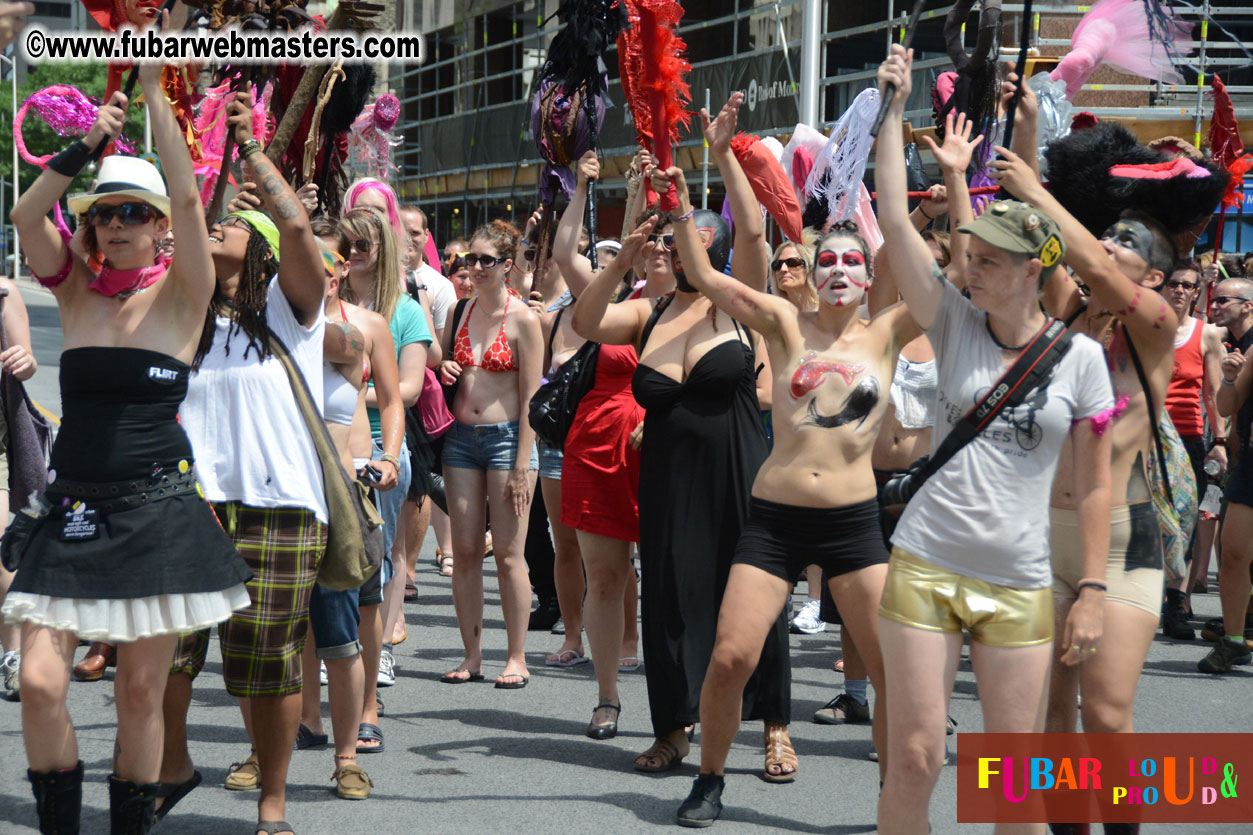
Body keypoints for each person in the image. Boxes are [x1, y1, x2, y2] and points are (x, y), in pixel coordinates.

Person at [4, 66, 251, 833]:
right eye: (106, 212)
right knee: (42, 683)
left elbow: (186, 193)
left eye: (133, 214)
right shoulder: (74, 291)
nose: (117, 224)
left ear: (159, 229)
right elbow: (24, 211)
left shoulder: (182, 297)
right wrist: (89, 143)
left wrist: (151, 99)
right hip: (71, 509)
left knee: (139, 694)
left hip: (156, 514)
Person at [874, 46, 1114, 834]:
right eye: (967, 254)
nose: (967, 265)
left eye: (985, 259)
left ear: (1028, 270)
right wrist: (890, 108)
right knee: (915, 757)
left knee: (1016, 788)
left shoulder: (1079, 361)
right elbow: (890, 221)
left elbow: (1093, 484)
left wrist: (1091, 590)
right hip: (926, 563)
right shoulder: (951, 322)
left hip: (1018, 581)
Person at [644, 155, 921, 822]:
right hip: (772, 521)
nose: (836, 273)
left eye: (851, 262)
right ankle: (709, 778)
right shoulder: (783, 321)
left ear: (870, 271)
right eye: (825, 262)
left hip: (852, 525)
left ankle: (894, 797)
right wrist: (682, 209)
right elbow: (708, 275)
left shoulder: (888, 330)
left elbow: (953, 279)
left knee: (889, 672)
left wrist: (927, 206)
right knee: (731, 654)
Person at [573, 92, 790, 779]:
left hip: (736, 464)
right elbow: (583, 323)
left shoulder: (738, 302)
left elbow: (755, 235)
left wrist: (721, 154)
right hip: (667, 473)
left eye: (677, 240)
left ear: (707, 248)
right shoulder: (646, 313)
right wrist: (620, 258)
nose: (668, 249)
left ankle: (775, 727)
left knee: (752, 591)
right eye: (664, 242)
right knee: (666, 596)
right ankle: (673, 726)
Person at [159, 92, 328, 835]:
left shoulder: (294, 314)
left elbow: (295, 222)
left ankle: (272, 802)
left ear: (258, 248)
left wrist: (255, 148)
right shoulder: (183, 316)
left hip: (280, 506)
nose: (217, 224)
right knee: (163, 651)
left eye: (233, 222)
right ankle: (169, 764)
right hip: (187, 505)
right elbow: (180, 210)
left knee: (268, 663)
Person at [551, 152, 650, 736]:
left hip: (663, 445)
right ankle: (607, 697)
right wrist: (584, 186)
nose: (656, 249)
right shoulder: (612, 300)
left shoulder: (696, 300)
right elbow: (566, 252)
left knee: (667, 575)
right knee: (605, 575)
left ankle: (676, 699)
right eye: (648, 242)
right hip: (596, 445)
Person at [438, 221, 542, 689]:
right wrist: (444, 365)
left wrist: (524, 462)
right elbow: (441, 365)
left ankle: (516, 656)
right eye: (469, 260)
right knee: (464, 552)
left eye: (485, 260)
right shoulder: (460, 311)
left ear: (506, 265)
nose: (474, 268)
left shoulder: (523, 319)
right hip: (461, 438)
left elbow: (531, 400)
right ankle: (472, 654)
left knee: (507, 555)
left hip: (506, 441)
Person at [338, 207, 428, 732]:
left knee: (378, 556)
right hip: (325, 440)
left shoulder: (404, 312)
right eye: (344, 243)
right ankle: (339, 649)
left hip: (378, 443)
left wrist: (344, 391)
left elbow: (408, 392)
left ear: (383, 252)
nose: (351, 253)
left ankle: (379, 648)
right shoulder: (322, 302)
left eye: (362, 245)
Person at [1161, 261, 1226, 639]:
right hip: (1143, 435)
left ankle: (1176, 604)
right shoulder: (1139, 327)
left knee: (1185, 525)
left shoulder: (1206, 336)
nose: (1180, 291)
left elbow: (1213, 392)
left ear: (1197, 291)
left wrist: (1218, 442)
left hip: (1187, 438)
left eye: (1188, 285)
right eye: (1173, 284)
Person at [1199, 277, 1253, 672]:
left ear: (1247, 305)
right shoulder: (1242, 348)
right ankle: (1235, 639)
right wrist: (1231, 376)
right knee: (1233, 553)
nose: (1214, 306)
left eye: (1222, 300)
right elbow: (1227, 403)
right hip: (1249, 463)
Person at [0, 275, 37, 702]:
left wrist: (23, 362)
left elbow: (25, 359)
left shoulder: (4, 291)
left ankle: (14, 654)